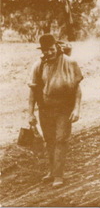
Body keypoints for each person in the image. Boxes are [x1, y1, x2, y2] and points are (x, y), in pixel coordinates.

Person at [27, 34, 83, 187]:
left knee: (60, 139)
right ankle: (52, 171)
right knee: (49, 141)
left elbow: (77, 88)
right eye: (45, 50)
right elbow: (33, 90)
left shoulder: (70, 63)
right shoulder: (38, 65)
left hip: (64, 108)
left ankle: (58, 175)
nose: (49, 53)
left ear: (57, 47)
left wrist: (77, 108)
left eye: (51, 49)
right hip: (45, 109)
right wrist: (30, 113)